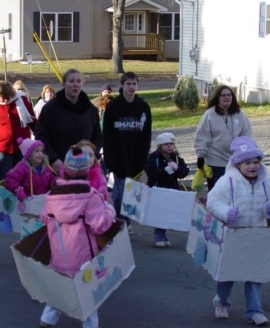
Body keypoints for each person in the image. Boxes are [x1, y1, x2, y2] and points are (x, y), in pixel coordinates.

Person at [39, 146, 116, 328]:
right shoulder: (91, 197)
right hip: (84, 257)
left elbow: (44, 219)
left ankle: (47, 320)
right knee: (88, 294)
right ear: (86, 171)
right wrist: (110, 211)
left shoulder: (51, 197)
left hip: (59, 255)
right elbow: (100, 225)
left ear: (65, 170)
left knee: (61, 289)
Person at [206, 136, 270, 326]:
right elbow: (212, 201)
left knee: (254, 273)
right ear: (237, 164)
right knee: (229, 272)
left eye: (256, 162)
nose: (252, 166)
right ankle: (221, 302)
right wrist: (226, 212)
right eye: (247, 163)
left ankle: (255, 311)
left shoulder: (267, 183)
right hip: (233, 234)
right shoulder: (228, 182)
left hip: (257, 234)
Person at [103, 72, 152, 234]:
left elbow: (146, 135)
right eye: (128, 84)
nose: (131, 87)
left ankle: (126, 220)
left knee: (130, 192)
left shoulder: (143, 107)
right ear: (122, 86)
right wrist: (110, 159)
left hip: (136, 157)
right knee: (119, 193)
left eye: (134, 84)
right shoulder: (113, 106)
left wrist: (143, 158)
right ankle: (120, 219)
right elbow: (107, 135)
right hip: (118, 157)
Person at [35, 69, 102, 175]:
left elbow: (97, 136)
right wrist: (53, 159)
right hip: (58, 167)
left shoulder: (90, 110)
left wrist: (94, 155)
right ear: (64, 84)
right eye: (71, 81)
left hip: (85, 167)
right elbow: (40, 135)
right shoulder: (51, 108)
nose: (75, 84)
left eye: (78, 81)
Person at [194, 85, 252, 191]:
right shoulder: (210, 114)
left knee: (235, 191)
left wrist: (248, 152)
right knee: (218, 193)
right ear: (218, 98)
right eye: (223, 95)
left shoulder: (240, 114)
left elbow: (247, 135)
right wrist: (200, 155)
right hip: (215, 161)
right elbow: (202, 136)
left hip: (235, 161)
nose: (227, 97)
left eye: (229, 95)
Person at [0, 80, 37, 182]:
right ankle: (2, 197)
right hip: (1, 146)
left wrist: (42, 136)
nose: (3, 100)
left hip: (21, 145)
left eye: (6, 97)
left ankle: (19, 197)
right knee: (4, 176)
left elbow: (32, 120)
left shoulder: (21, 99)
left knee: (21, 175)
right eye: (1, 97)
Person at [144, 132, 190, 247]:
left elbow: (184, 172)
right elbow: (151, 174)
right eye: (166, 144)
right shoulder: (153, 158)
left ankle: (163, 235)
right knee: (160, 213)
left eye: (171, 144)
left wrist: (177, 169)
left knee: (168, 212)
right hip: (158, 189)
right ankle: (159, 235)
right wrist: (165, 170)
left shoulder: (176, 158)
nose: (169, 146)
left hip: (172, 189)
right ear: (160, 146)